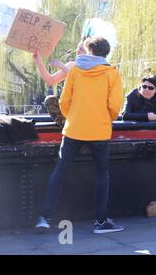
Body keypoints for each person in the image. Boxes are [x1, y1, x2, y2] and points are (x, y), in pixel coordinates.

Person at [35, 36, 124, 234]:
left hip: (74, 129)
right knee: (102, 174)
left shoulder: (75, 70)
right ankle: (100, 222)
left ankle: (45, 217)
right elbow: (115, 105)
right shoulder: (112, 73)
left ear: (89, 50)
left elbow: (64, 101)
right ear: (105, 52)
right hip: (99, 131)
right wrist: (103, 118)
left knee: (60, 171)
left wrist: (73, 117)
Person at [33, 40, 87, 127]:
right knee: (50, 100)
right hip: (70, 108)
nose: (77, 51)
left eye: (81, 49)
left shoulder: (94, 68)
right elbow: (50, 80)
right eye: (77, 48)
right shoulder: (71, 65)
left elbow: (81, 82)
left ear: (89, 52)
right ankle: (66, 125)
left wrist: (62, 67)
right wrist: (39, 62)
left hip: (86, 108)